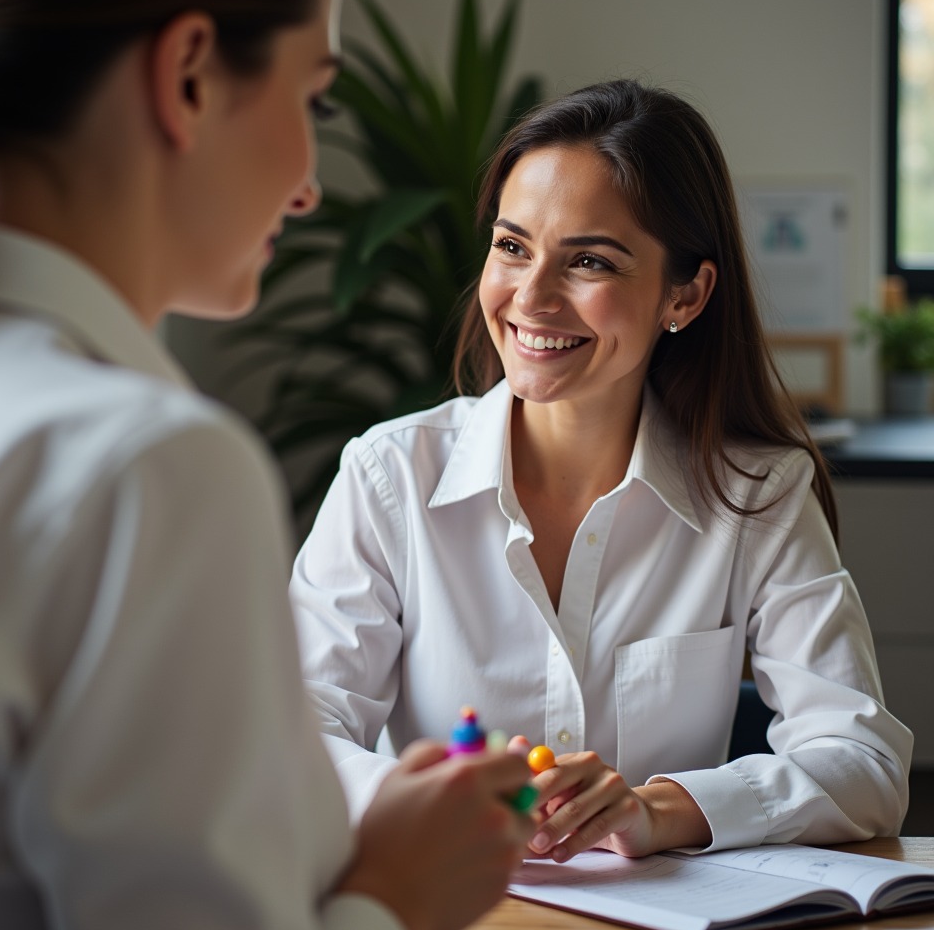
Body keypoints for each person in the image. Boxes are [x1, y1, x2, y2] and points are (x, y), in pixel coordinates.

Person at [0, 0, 536, 930]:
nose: (311, 186)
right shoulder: (147, 468)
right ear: (190, 76)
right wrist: (392, 895)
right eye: (312, 100)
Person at [291, 79, 914, 861]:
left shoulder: (758, 495)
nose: (532, 298)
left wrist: (658, 810)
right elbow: (295, 734)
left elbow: (864, 762)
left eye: (588, 261)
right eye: (512, 247)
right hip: (442, 907)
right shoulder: (389, 477)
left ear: (685, 296)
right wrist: (434, 805)